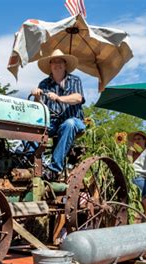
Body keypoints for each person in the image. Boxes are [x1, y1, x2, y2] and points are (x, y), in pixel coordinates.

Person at [31, 49, 86, 180]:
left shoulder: (74, 80)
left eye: (60, 61)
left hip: (74, 120)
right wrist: (37, 97)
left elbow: (78, 98)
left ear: (65, 64)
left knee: (69, 124)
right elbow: (39, 107)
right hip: (53, 122)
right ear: (50, 65)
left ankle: (54, 169)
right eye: (54, 62)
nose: (57, 64)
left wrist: (59, 98)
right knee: (32, 127)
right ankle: (35, 164)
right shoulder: (44, 84)